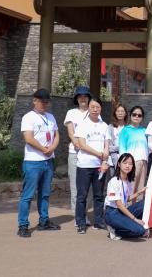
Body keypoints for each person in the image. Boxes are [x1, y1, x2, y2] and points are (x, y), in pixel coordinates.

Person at [17, 89, 61, 237]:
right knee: (28, 195)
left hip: (48, 161)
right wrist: (44, 149)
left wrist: (52, 148)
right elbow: (28, 138)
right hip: (33, 161)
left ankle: (44, 221)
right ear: (34, 101)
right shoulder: (28, 117)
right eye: (42, 101)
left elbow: (56, 135)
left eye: (46, 102)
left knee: (45, 194)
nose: (44, 104)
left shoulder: (51, 117)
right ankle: (23, 225)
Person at [74, 97, 109, 234]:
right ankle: (80, 223)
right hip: (84, 165)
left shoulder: (104, 125)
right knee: (82, 196)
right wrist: (99, 154)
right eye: (92, 107)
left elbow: (106, 145)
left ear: (101, 109)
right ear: (88, 108)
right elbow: (82, 145)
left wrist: (104, 161)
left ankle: (98, 221)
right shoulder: (82, 124)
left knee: (99, 195)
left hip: (99, 167)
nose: (95, 109)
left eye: (97, 107)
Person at [64, 86, 95, 220]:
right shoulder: (71, 113)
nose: (83, 99)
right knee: (75, 186)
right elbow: (71, 133)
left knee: (89, 187)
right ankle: (78, 215)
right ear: (76, 99)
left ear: (89, 98)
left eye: (85, 96)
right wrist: (79, 145)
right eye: (80, 96)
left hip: (90, 155)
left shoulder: (93, 112)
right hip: (75, 153)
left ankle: (84, 212)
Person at [104, 153, 149, 240]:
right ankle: (115, 231)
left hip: (122, 211)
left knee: (146, 203)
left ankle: (128, 224)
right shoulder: (114, 181)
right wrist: (135, 219)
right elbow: (119, 204)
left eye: (130, 164)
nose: (127, 166)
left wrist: (139, 193)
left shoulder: (127, 181)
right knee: (140, 231)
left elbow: (126, 199)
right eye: (125, 163)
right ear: (119, 164)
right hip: (112, 213)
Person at [118, 106, 149, 196]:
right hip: (132, 163)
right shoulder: (125, 130)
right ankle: (128, 205)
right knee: (130, 188)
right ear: (130, 115)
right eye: (134, 114)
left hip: (144, 162)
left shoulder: (145, 131)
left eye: (139, 115)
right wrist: (125, 163)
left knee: (141, 189)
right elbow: (122, 148)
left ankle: (138, 205)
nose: (136, 117)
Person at [106, 104, 127, 177]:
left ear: (125, 113)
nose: (120, 113)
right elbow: (108, 146)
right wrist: (121, 147)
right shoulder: (110, 127)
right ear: (115, 113)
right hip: (112, 159)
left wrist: (117, 148)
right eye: (118, 111)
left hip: (126, 159)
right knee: (113, 180)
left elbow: (130, 145)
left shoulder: (128, 128)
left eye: (122, 111)